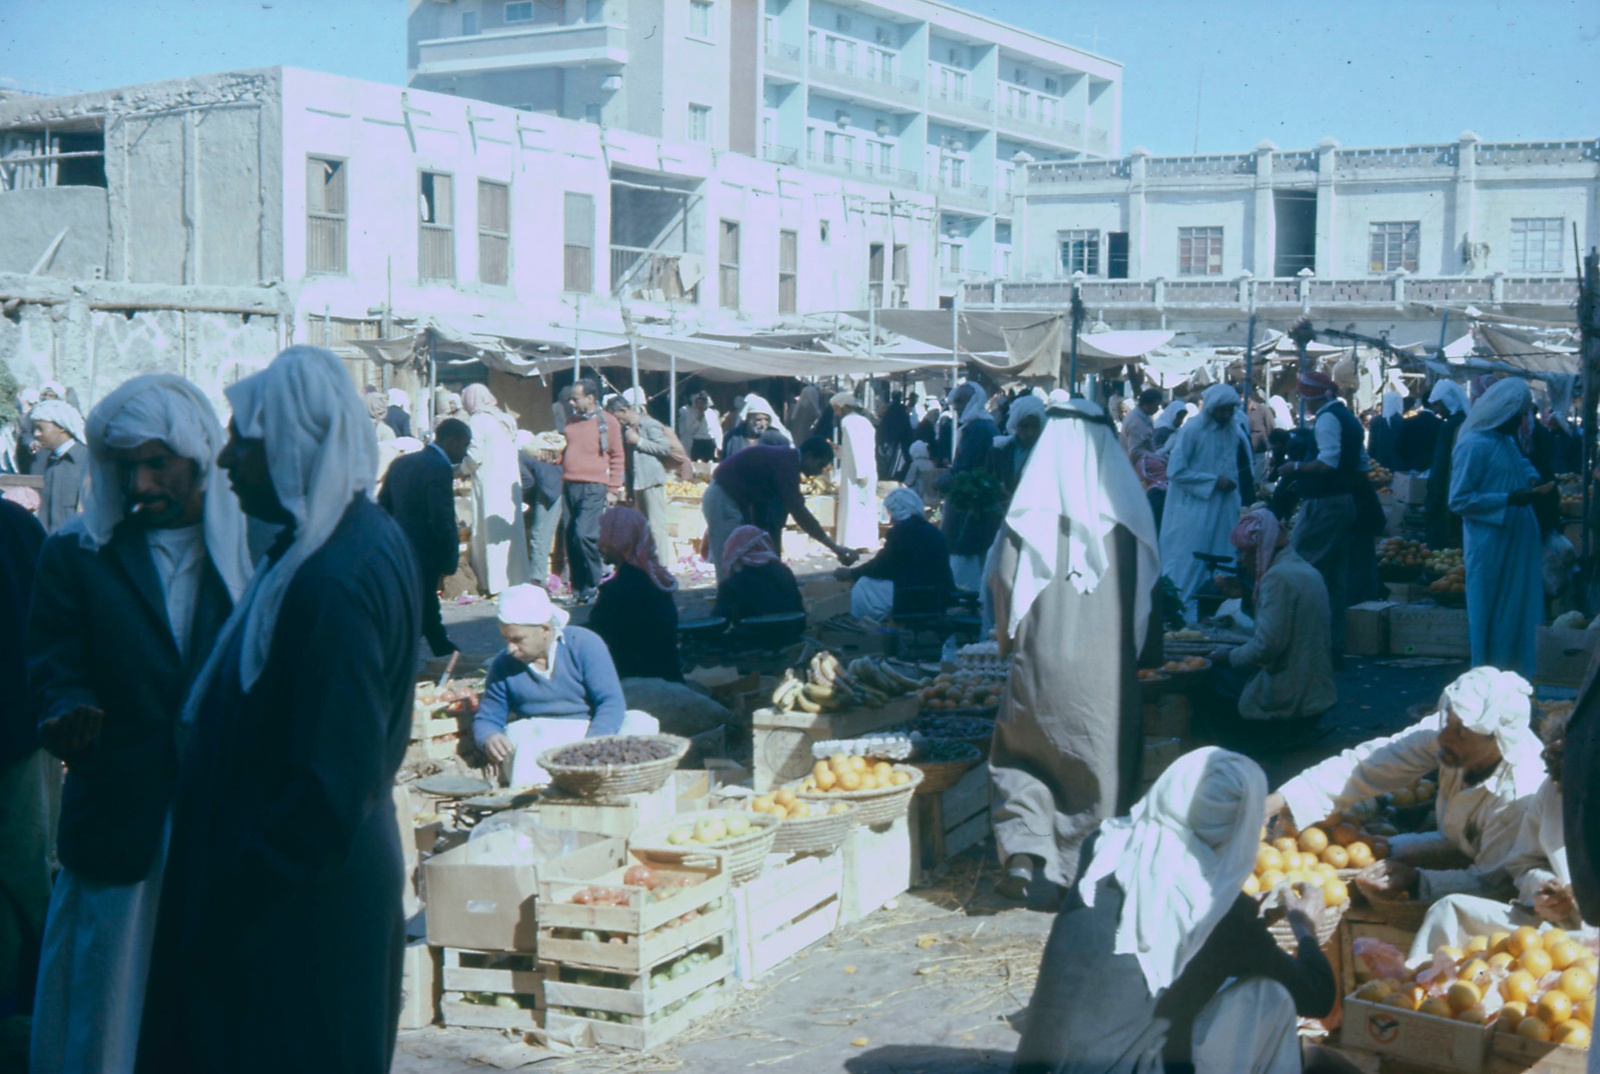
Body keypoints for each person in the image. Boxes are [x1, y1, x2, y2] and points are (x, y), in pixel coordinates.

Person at [137, 346, 421, 1073]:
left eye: (245, 442)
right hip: (294, 898)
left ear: (292, 446)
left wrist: (230, 895)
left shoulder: (335, 579)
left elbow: (328, 788)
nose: (225, 459)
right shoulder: (327, 545)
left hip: (300, 917)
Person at [25, 375, 250, 1074]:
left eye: (158, 463)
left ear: (199, 456)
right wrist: (65, 712)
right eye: (125, 467)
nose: (142, 482)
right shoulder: (73, 554)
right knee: (110, 1006)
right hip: (122, 817)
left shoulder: (249, 551)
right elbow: (54, 663)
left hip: (221, 822)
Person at [1012, 748, 1336, 1074]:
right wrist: (1305, 929)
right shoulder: (1215, 904)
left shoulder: (1103, 846)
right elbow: (1317, 998)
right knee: (1268, 995)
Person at [989, 399, 1161, 904]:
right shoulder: (1131, 516)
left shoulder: (1030, 506)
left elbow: (1003, 580)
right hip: (1106, 675)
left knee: (1021, 758)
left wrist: (1007, 641)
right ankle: (1084, 873)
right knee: (1099, 769)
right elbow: (1150, 593)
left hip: (1040, 664)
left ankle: (1024, 853)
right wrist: (1136, 654)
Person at [1265, 668, 1546, 906]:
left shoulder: (1518, 795)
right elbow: (1370, 764)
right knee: (1386, 850)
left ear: (1496, 741)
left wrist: (1418, 881)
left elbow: (1492, 882)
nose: (1446, 736)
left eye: (1461, 732)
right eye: (1449, 722)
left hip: (1511, 885)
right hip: (1457, 844)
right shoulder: (1448, 735)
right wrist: (1281, 799)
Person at [1407, 704, 1590, 959]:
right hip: (1561, 932)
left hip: (1587, 944)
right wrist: (1544, 889)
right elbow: (1524, 863)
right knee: (1450, 910)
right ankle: (1423, 993)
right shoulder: (1553, 790)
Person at [472, 584, 658, 785]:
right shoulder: (503, 665)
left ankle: (617, 786)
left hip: (591, 732)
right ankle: (535, 798)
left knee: (640, 722)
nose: (510, 648)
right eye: (506, 639)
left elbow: (610, 702)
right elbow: (487, 718)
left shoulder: (583, 644)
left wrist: (591, 746)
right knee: (519, 732)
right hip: (541, 742)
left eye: (518, 640)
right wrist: (489, 736)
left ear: (545, 629)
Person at [1205, 509, 1335, 750]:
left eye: (1244, 553)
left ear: (1260, 551)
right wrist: (1244, 596)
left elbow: (1267, 646)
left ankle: (1244, 741)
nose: (1241, 560)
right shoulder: (1300, 568)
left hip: (1291, 691)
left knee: (1209, 675)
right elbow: (1279, 625)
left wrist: (1228, 657)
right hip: (1312, 686)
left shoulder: (1278, 578)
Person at [1448, 378, 1552, 677]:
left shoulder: (1505, 440)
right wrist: (1508, 499)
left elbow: (1521, 466)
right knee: (1491, 610)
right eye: (1518, 415)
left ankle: (1520, 673)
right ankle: (1488, 673)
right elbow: (1459, 500)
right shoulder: (1473, 445)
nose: (1521, 422)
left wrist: (1532, 481)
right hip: (1490, 540)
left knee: (1521, 608)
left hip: (1518, 536)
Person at [1279, 370, 1365, 658]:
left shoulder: (1328, 419)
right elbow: (1362, 464)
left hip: (1325, 503)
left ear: (1310, 398)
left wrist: (1296, 469)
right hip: (1344, 500)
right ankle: (1333, 642)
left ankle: (1303, 641)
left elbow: (1327, 462)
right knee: (1333, 578)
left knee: (1303, 567)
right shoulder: (1349, 418)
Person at [0, 499, 46, 1029]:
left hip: (16, 738)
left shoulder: (13, 526)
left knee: (21, 874)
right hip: (22, 732)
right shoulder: (18, 524)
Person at [701, 439, 858, 582]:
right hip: (723, 499)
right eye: (820, 465)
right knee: (730, 559)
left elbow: (762, 508)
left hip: (732, 500)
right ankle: (727, 605)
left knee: (741, 556)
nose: (819, 472)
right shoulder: (787, 464)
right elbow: (799, 512)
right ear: (809, 456)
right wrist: (833, 547)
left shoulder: (785, 460)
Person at [379, 417, 472, 657]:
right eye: (463, 446)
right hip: (425, 550)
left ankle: (440, 647)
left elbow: (383, 507)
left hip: (399, 548)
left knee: (420, 602)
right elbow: (440, 517)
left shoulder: (401, 463)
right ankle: (439, 649)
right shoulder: (438, 468)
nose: (463, 453)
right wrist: (449, 555)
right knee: (422, 602)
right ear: (452, 441)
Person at [1159, 384, 1249, 612]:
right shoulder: (1192, 431)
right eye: (1222, 410)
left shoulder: (1231, 430)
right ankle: (1181, 613)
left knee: (1223, 559)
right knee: (1188, 562)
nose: (1226, 415)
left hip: (1223, 508)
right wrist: (1213, 481)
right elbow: (1175, 471)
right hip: (1193, 510)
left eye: (1230, 410)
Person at [588, 507, 681, 682]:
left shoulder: (619, 590)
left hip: (637, 683)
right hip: (669, 676)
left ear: (621, 542)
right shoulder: (656, 582)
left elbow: (596, 636)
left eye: (605, 536)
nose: (600, 544)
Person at [836, 488, 952, 622]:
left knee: (864, 584)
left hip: (914, 595)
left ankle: (858, 623)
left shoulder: (900, 532)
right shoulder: (934, 531)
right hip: (939, 594)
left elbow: (881, 566)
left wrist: (852, 573)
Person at [461, 383, 531, 597]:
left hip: (489, 483)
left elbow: (475, 454)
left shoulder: (477, 421)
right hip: (508, 483)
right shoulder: (505, 419)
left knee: (488, 533)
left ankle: (493, 583)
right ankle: (516, 580)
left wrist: (461, 468)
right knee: (511, 533)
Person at [561, 378, 626, 605]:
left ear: (590, 398)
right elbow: (567, 450)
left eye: (575, 398)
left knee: (584, 535)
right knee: (571, 538)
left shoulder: (607, 422)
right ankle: (579, 589)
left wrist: (613, 489)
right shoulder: (570, 421)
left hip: (594, 486)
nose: (571, 403)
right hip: (570, 485)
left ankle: (595, 583)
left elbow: (618, 456)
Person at [939, 382, 1002, 592]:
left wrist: (940, 482)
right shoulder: (982, 426)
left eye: (960, 401)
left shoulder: (978, 429)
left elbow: (965, 467)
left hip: (969, 504)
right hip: (975, 500)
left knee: (964, 553)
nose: (956, 406)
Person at [605, 392, 676, 573]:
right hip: (638, 482)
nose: (616, 422)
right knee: (644, 526)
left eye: (616, 417)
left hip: (651, 480)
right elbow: (629, 463)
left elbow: (664, 447)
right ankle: (648, 562)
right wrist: (628, 486)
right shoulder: (625, 431)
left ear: (624, 410)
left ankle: (661, 565)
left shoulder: (648, 424)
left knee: (656, 525)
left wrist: (640, 441)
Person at [712, 525, 804, 623]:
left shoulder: (732, 584)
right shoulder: (785, 572)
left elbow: (719, 621)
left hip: (753, 636)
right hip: (792, 633)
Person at [28, 399, 88, 533]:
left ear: (61, 427)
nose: (36, 434)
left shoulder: (86, 460)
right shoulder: (51, 460)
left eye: (40, 428)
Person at [1424, 380, 1470, 551]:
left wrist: (1431, 500)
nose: (1436, 410)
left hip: (1447, 492)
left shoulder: (1449, 427)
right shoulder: (1466, 422)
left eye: (1438, 405)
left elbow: (1440, 466)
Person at [832, 392, 879, 552]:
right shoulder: (863, 421)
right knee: (865, 505)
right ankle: (866, 541)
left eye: (836, 409)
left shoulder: (848, 422)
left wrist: (860, 473)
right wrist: (838, 450)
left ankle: (853, 541)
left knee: (855, 504)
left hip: (856, 471)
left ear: (843, 407)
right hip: (865, 467)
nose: (836, 413)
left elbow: (857, 449)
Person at [518, 431, 565, 588]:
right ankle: (561, 577)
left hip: (549, 490)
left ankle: (537, 578)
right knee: (559, 534)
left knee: (540, 534)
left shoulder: (518, 455)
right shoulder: (528, 451)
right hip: (559, 484)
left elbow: (527, 481)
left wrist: (520, 499)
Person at [991, 393, 1047, 498]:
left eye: (1034, 427)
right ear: (1016, 425)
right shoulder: (1000, 450)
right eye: (1024, 426)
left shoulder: (1047, 453)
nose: (1029, 432)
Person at [722, 395, 791, 458]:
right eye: (759, 419)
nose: (763, 424)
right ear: (748, 418)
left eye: (766, 420)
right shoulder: (732, 437)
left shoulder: (774, 438)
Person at [875, 392, 914, 482]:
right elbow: (908, 432)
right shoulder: (903, 413)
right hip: (900, 447)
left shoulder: (888, 413)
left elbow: (882, 431)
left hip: (889, 446)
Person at [1120, 387, 1162, 468]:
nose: (1157, 409)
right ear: (1146, 405)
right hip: (1134, 469)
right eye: (1155, 406)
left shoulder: (1141, 417)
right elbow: (1135, 452)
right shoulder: (1136, 423)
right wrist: (1154, 457)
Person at [677, 391, 722, 462]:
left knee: (710, 462)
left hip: (709, 441)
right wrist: (698, 420)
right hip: (697, 442)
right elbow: (690, 430)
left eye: (702, 403)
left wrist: (719, 445)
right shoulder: (690, 413)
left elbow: (717, 430)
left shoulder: (712, 413)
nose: (700, 405)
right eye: (698, 403)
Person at [1368, 391, 1404, 470]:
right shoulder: (1403, 422)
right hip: (1399, 463)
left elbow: (1372, 444)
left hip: (1379, 463)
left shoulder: (1375, 421)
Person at [902, 440, 938, 505]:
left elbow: (909, 481)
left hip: (919, 495)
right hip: (931, 495)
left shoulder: (915, 464)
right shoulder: (931, 464)